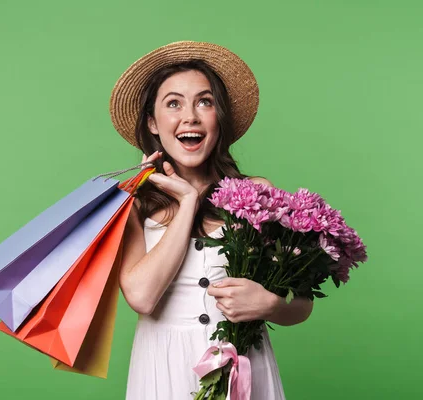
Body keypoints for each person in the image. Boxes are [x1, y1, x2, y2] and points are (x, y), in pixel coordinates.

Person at [109, 41, 314, 400]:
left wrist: (269, 304)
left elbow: (303, 303)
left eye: (205, 102)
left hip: (245, 366)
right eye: (173, 103)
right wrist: (188, 201)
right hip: (164, 368)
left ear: (220, 117)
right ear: (153, 123)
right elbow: (141, 297)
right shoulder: (132, 204)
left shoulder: (257, 195)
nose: (190, 116)